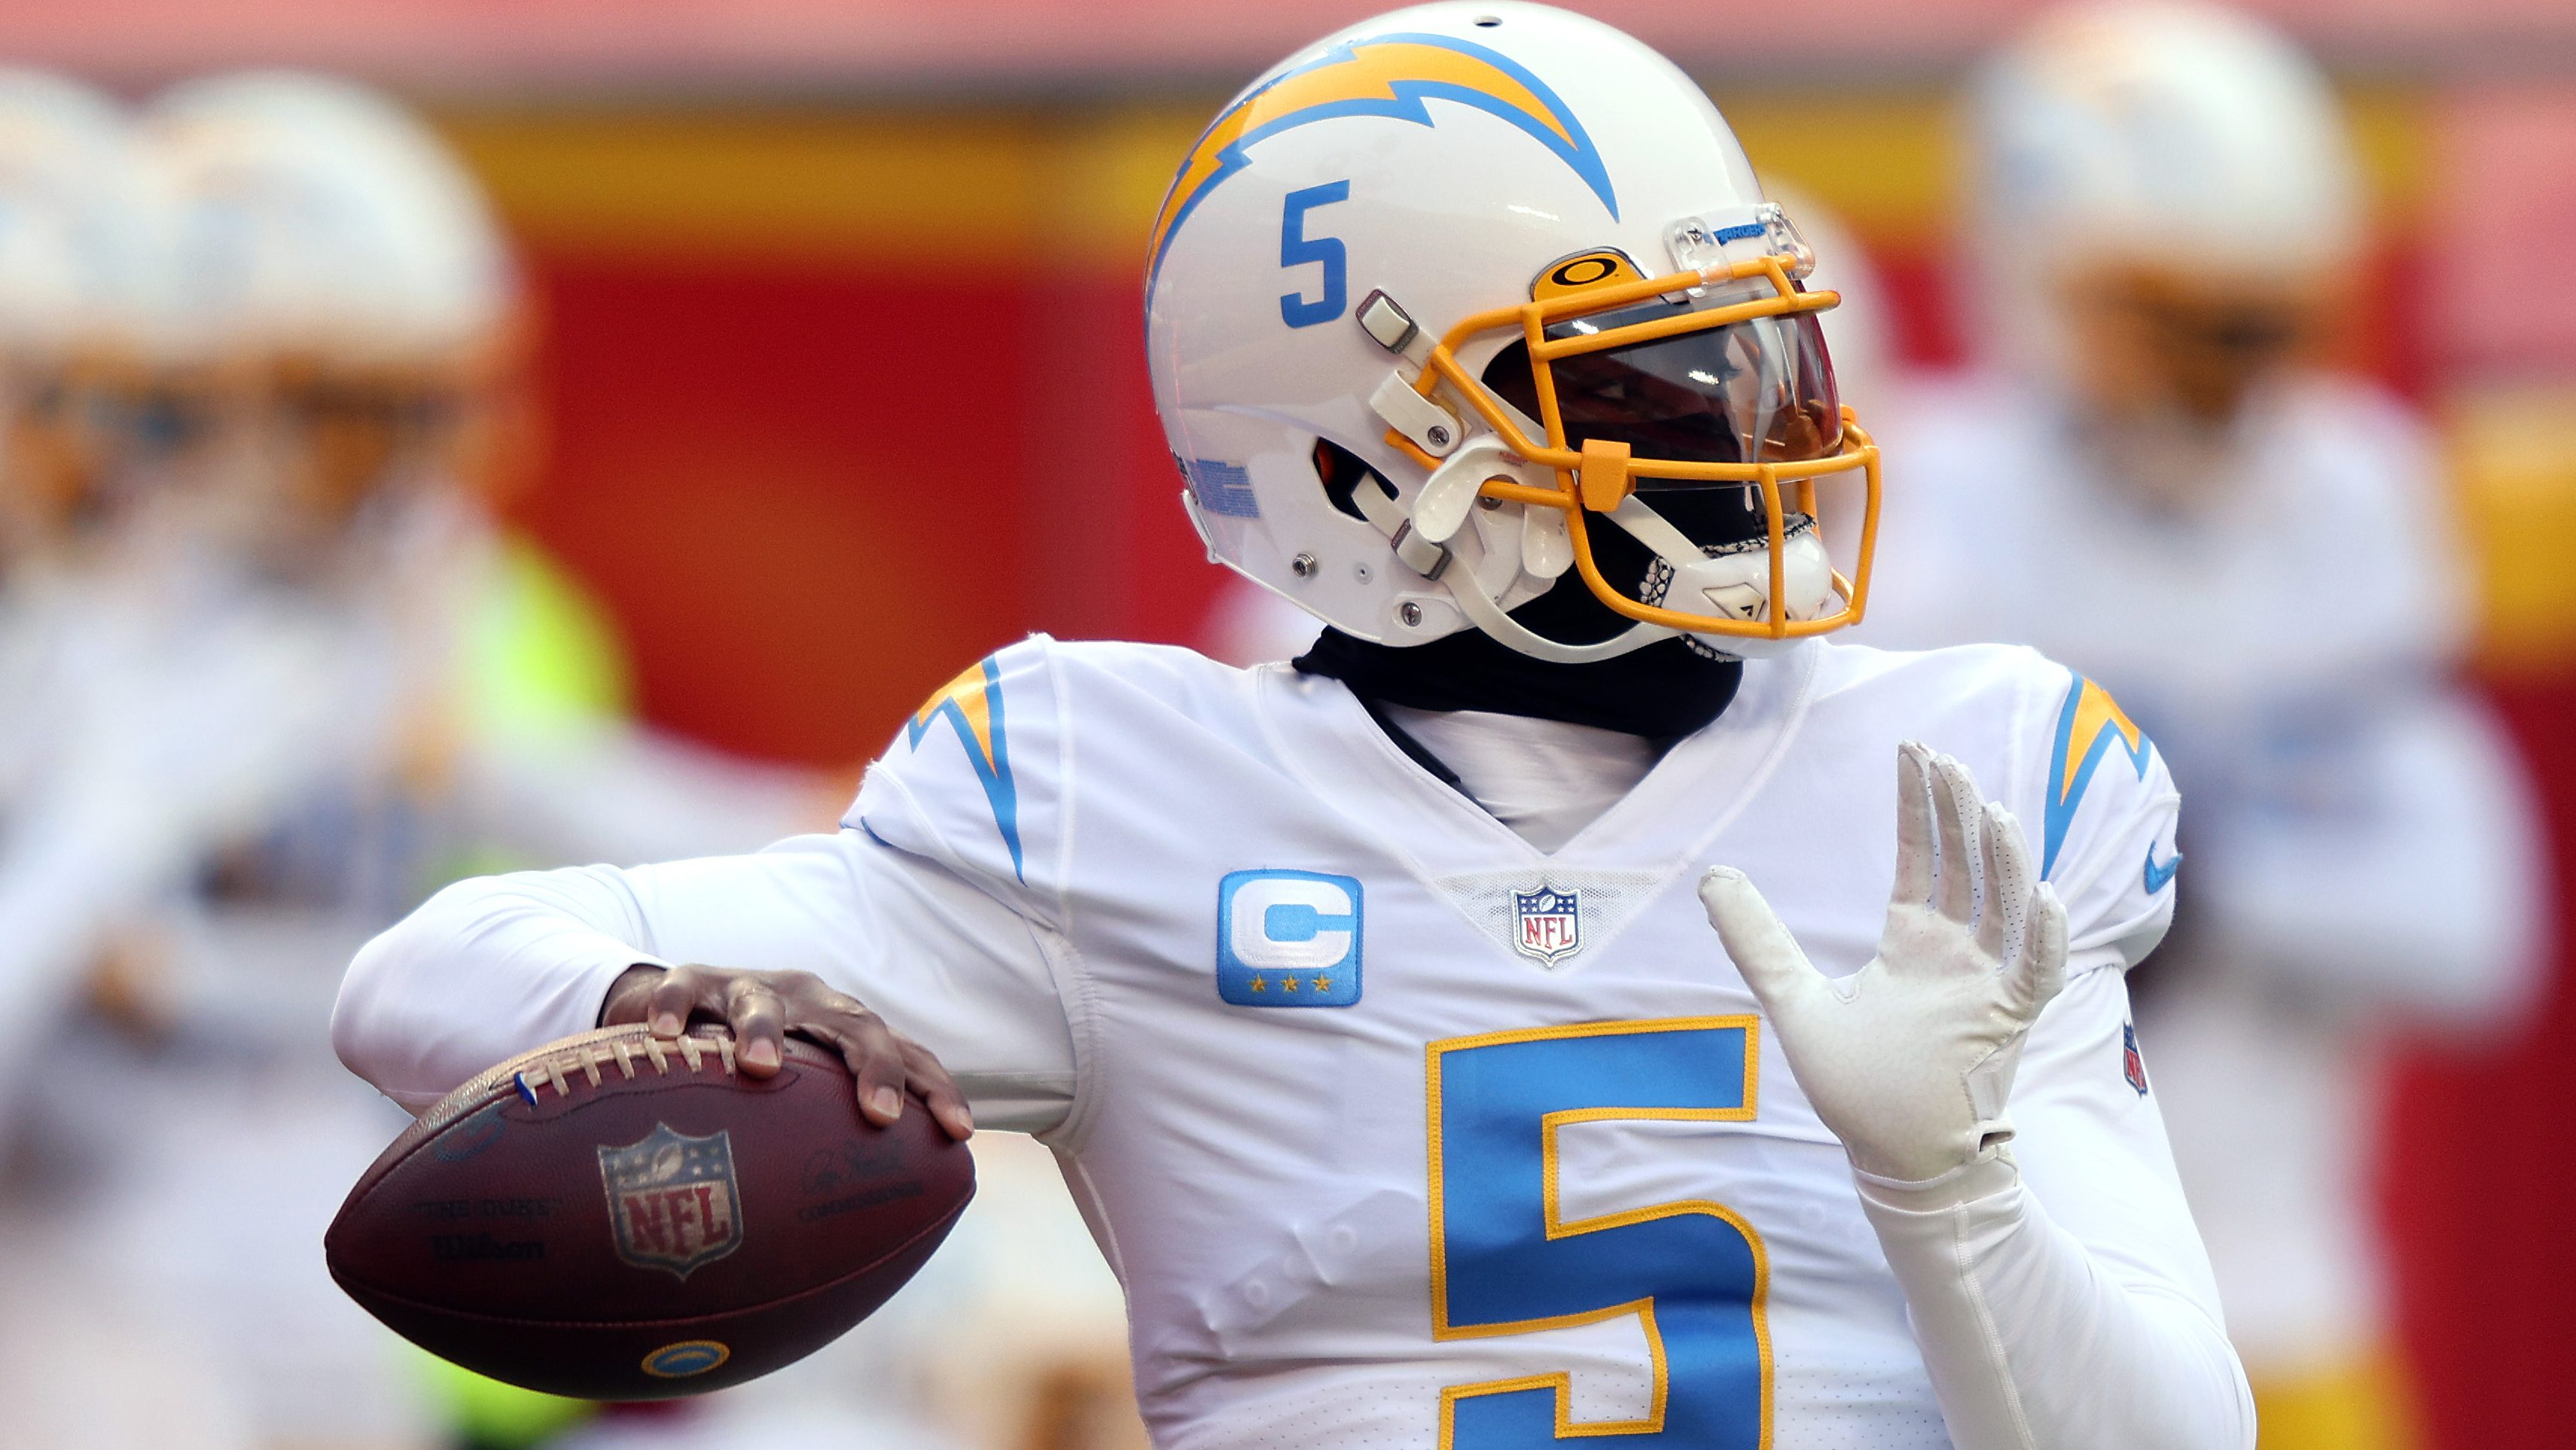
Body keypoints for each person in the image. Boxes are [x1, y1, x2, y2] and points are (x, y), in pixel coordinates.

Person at [337, 5, 2254, 1446]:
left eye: (1757, 358)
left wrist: (1949, 1182)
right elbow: (423, 973)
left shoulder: (1969, 779)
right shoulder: (1110, 802)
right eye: (1644, 386)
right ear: (1356, 464)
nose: (1756, 442)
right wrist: (661, 1005)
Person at [1861, 5, 2547, 1447]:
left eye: (2255, 322)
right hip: (1973, 1318)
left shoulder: (2347, 495)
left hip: (2278, 1297)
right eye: (2173, 318)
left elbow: (2474, 923)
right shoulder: (1922, 507)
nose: (2223, 373)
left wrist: (2187, 869)